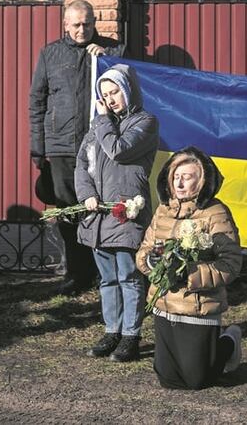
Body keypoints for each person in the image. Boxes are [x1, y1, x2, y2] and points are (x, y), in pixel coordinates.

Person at [30, 0, 125, 296]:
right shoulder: (50, 54)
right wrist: (38, 148)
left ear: (95, 22)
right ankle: (76, 272)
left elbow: (129, 87)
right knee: (69, 212)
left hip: (101, 144)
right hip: (60, 146)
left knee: (102, 208)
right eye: (76, 24)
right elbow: (37, 102)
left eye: (87, 23)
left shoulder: (114, 50)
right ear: (65, 25)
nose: (82, 29)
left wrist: (108, 57)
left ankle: (104, 273)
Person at [136, 147, 244, 390]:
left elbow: (230, 264)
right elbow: (143, 250)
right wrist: (151, 263)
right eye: (176, 176)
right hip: (164, 304)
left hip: (198, 306)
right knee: (168, 380)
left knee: (197, 381)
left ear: (202, 180)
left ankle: (229, 342)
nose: (180, 182)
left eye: (187, 176)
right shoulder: (162, 211)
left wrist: (188, 273)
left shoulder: (215, 213)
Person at [75, 64, 158, 362]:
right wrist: (86, 196)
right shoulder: (97, 128)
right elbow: (82, 165)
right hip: (98, 216)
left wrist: (102, 121)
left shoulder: (145, 123)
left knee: (129, 276)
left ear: (128, 90)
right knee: (107, 278)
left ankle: (131, 335)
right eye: (104, 94)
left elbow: (119, 150)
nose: (110, 100)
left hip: (126, 214)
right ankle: (112, 330)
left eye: (115, 92)